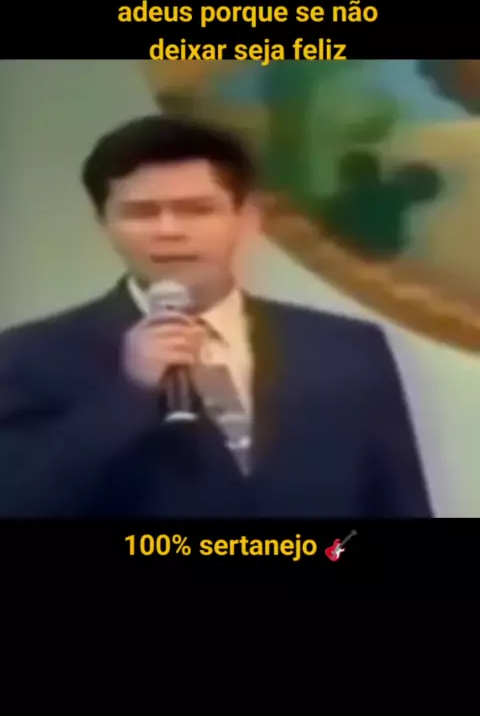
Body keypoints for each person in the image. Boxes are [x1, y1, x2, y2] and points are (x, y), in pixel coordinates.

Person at [0, 115, 433, 518]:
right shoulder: (32, 355)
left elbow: (397, 502)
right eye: (141, 212)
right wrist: (129, 394)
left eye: (196, 209)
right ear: (104, 224)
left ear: (246, 218)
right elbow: (19, 499)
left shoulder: (346, 347)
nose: (169, 231)